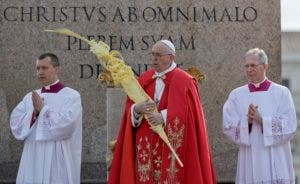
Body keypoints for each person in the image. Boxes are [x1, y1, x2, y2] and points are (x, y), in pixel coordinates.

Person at [108, 40, 216, 184]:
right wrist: (136, 110)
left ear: (171, 57)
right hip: (145, 145)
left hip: (172, 146)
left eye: (158, 55)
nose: (154, 59)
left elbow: (191, 113)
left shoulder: (185, 81)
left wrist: (164, 117)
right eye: (152, 54)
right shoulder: (144, 79)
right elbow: (129, 110)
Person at [223, 48, 297, 184]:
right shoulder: (236, 95)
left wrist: (262, 121)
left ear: (265, 66)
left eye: (253, 65)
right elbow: (229, 126)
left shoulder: (282, 93)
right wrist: (248, 122)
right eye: (246, 66)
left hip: (275, 156)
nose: (249, 69)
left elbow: (290, 125)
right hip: (249, 158)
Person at [10, 53, 83, 184]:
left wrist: (43, 110)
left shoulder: (71, 96)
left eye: (44, 68)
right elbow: (15, 123)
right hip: (33, 155)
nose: (40, 72)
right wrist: (34, 114)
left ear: (56, 69)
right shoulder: (30, 97)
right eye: (38, 68)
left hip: (56, 156)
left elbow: (68, 125)